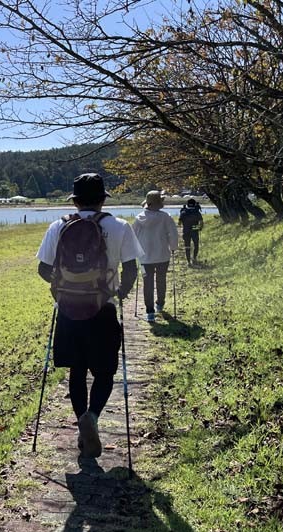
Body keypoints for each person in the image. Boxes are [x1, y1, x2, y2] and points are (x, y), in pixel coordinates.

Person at [36, 173, 143, 458]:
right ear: (101, 200)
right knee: (105, 372)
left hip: (69, 311)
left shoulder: (58, 226)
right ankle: (91, 417)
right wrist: (120, 291)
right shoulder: (120, 226)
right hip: (102, 308)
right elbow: (131, 268)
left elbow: (43, 270)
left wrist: (63, 286)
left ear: (75, 199)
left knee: (77, 370)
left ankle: (81, 420)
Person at [133, 190, 179, 322]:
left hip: (144, 257)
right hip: (162, 255)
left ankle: (150, 312)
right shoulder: (166, 217)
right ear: (159, 203)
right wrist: (174, 247)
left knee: (147, 283)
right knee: (161, 280)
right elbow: (173, 234)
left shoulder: (138, 218)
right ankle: (160, 304)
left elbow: (133, 237)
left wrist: (134, 251)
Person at [178, 198, 204, 265]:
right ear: (195, 204)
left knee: (187, 246)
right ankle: (194, 258)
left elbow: (179, 223)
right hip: (195, 230)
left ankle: (188, 261)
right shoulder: (197, 212)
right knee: (196, 245)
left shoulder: (183, 212)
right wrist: (200, 228)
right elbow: (201, 222)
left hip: (186, 231)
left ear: (187, 204)